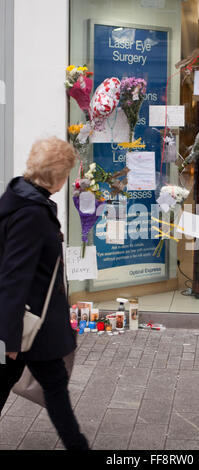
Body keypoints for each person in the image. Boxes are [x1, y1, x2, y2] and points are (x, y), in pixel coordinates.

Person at [0, 137, 89, 450]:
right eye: (65, 174)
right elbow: (14, 277)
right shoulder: (31, 214)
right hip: (30, 323)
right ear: (58, 177)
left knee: (45, 385)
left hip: (26, 319)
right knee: (55, 387)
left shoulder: (21, 198)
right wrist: (9, 339)